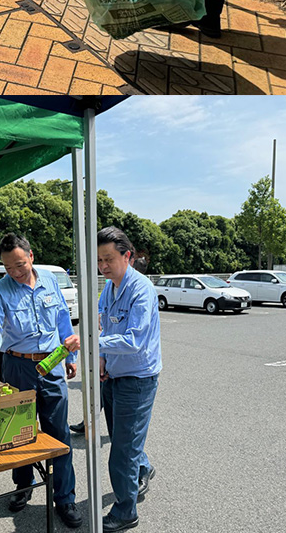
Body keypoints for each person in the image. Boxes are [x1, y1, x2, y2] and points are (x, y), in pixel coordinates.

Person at [0, 233, 83, 528]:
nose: (15, 272)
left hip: (51, 365)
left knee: (59, 434)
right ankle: (23, 487)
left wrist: (70, 357)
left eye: (19, 265)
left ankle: (65, 498)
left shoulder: (50, 280)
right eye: (8, 267)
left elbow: (64, 319)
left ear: (31, 256)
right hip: (17, 367)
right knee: (19, 433)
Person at [96, 226, 162, 532]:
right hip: (114, 375)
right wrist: (101, 361)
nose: (103, 265)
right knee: (125, 438)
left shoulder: (141, 289)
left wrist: (90, 344)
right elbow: (106, 331)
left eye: (109, 258)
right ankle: (143, 468)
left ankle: (125, 511)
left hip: (137, 379)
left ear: (128, 256)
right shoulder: (107, 289)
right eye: (99, 260)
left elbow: (134, 340)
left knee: (121, 451)